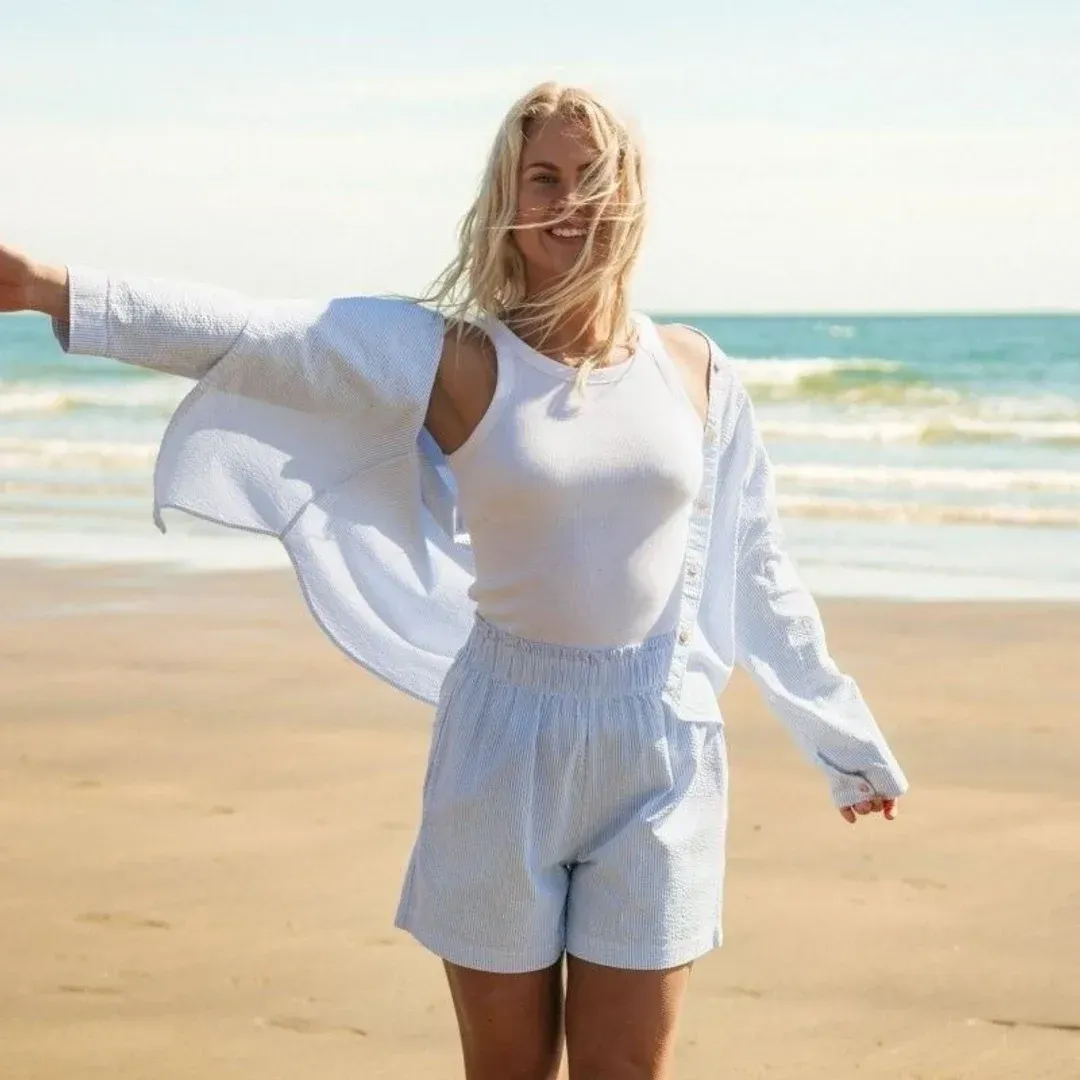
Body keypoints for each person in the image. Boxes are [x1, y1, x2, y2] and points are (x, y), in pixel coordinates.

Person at [1, 82, 908, 1080]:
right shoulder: (456, 359)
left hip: (662, 747)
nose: (572, 202)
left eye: (595, 178)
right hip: (503, 744)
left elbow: (757, 564)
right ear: (506, 202)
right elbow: (257, 336)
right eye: (544, 179)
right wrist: (54, 288)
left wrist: (842, 740)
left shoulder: (697, 368)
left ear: (631, 195)